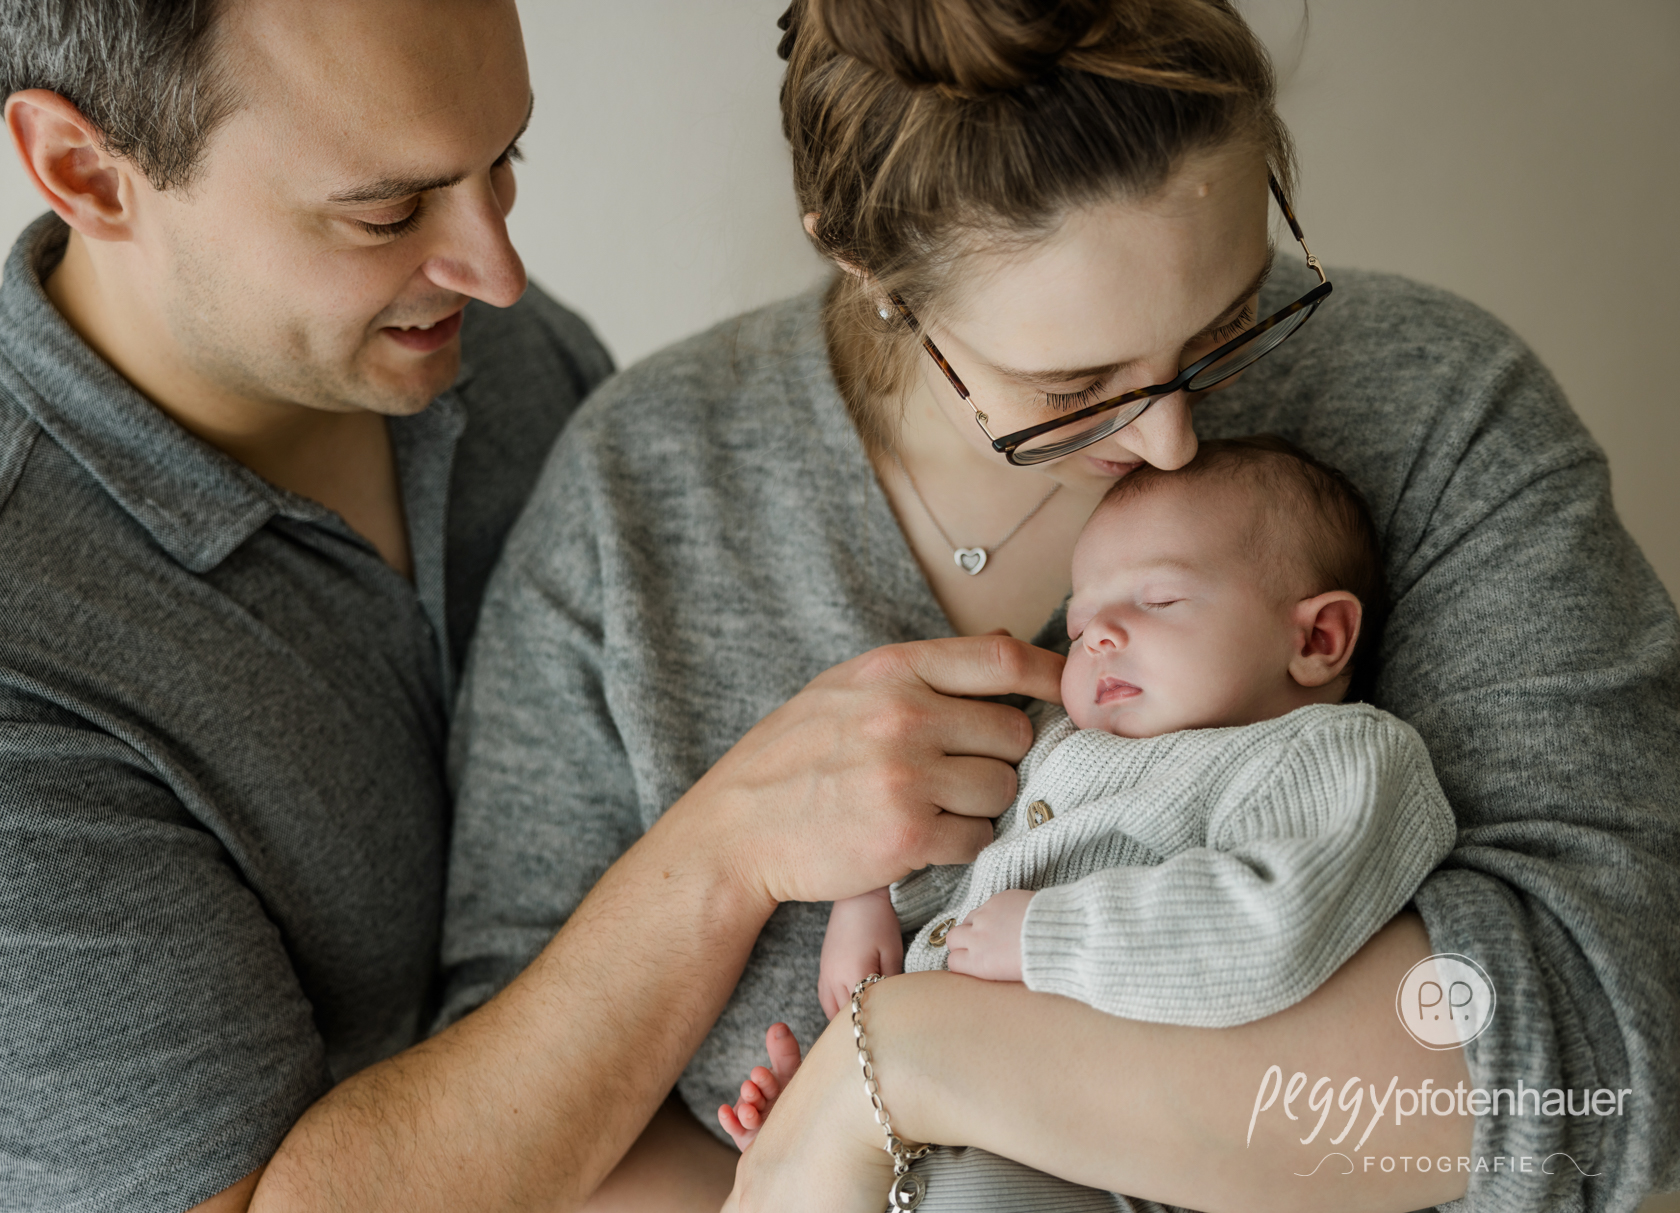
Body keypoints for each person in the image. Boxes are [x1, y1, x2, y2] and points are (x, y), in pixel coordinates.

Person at [443, 0, 1679, 1210]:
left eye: (1230, 319)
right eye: (1075, 384)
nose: (1174, 440)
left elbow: (1615, 1042)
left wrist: (901, 1067)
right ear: (870, 269)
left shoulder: (1437, 408)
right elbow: (512, 1139)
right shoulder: (638, 491)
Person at [1, 3, 1057, 1213]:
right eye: (388, 212)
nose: (499, 270)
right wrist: (731, 847)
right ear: (88, 172)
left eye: (505, 160)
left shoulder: (476, 344)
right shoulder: (28, 658)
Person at [720, 437, 1460, 1161]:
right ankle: (814, 1143)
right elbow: (944, 836)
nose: (1098, 634)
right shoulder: (1055, 738)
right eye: (1078, 626)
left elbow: (1278, 921)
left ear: (1318, 637)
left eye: (1158, 599)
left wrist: (1049, 935)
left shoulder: (1329, 754)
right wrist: (866, 901)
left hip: (1120, 1145)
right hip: (953, 1106)